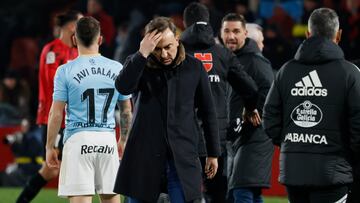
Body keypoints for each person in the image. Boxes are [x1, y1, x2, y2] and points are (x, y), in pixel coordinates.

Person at [113, 16, 220, 203]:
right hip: (144, 156)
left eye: (168, 47)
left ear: (177, 40)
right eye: (157, 49)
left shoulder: (194, 67)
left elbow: (208, 112)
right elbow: (123, 87)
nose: (163, 54)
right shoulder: (140, 64)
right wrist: (141, 54)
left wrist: (213, 153)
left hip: (182, 157)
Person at [263, 8, 360, 203]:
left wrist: (294, 144)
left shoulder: (286, 71)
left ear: (308, 34)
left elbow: (269, 119)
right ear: (339, 35)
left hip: (294, 171)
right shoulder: (350, 73)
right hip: (332, 174)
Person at [45, 16, 131, 203]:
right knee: (111, 198)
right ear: (100, 39)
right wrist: (123, 139)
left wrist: (49, 146)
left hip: (78, 139)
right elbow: (126, 110)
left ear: (74, 39)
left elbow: (56, 112)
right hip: (107, 140)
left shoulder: (65, 71)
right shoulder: (117, 68)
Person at [181, 3, 260, 203]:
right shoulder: (222, 54)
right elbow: (250, 88)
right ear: (209, 22)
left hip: (182, 138)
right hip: (215, 142)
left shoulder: (175, 52)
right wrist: (249, 109)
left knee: (181, 194)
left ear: (185, 23)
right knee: (217, 196)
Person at [16, 10, 83, 203]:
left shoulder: (76, 51)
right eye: (80, 23)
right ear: (72, 27)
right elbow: (53, 83)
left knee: (53, 169)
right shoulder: (52, 51)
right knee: (59, 168)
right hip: (54, 119)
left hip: (71, 120)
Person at [220, 13, 274, 203]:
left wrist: (252, 109)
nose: (231, 36)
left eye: (236, 31)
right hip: (237, 136)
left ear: (245, 34)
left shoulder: (256, 62)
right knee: (245, 190)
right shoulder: (228, 59)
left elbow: (270, 93)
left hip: (255, 134)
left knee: (241, 189)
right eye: (227, 31)